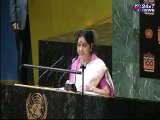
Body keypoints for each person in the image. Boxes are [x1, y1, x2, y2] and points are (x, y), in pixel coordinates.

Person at [66, 30, 115, 97]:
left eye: (84, 45)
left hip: (91, 104)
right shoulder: (75, 63)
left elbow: (107, 93)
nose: (80, 49)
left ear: (91, 46)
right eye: (78, 45)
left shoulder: (99, 66)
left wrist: (91, 89)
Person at [9, 0, 33, 84]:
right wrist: (13, 20)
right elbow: (12, 2)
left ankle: (35, 81)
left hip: (36, 18)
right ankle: (22, 83)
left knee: (35, 51)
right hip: (21, 19)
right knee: (22, 53)